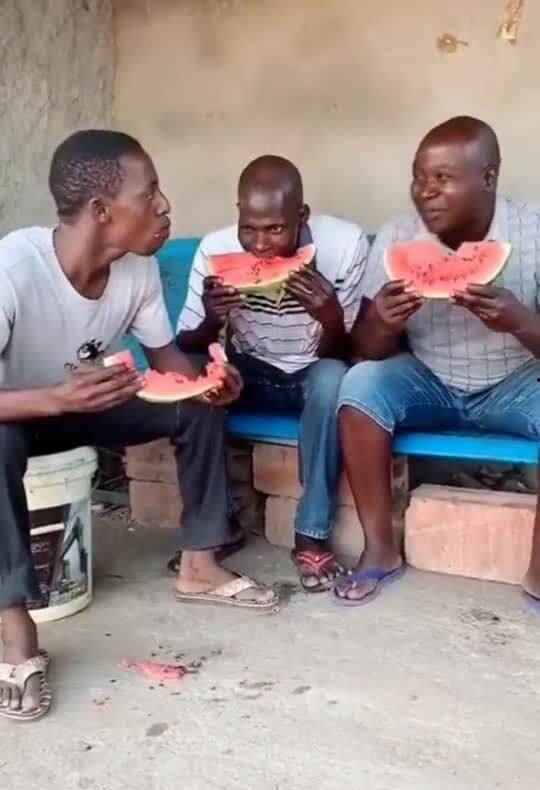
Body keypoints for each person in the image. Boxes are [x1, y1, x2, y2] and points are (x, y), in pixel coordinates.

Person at [0, 129, 280, 723]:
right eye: (149, 193)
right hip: (18, 415)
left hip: (92, 403)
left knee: (197, 403)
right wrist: (55, 397)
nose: (164, 206)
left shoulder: (137, 270)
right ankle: (13, 624)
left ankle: (201, 564)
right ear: (102, 210)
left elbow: (167, 363)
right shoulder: (14, 268)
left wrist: (209, 380)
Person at [335, 116, 540, 606]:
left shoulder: (533, 231)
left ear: (488, 177)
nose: (424, 191)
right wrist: (382, 322)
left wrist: (520, 321)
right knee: (360, 385)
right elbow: (365, 349)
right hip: (429, 380)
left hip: (517, 382)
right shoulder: (398, 236)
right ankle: (380, 550)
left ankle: (539, 572)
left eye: (442, 178)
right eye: (418, 178)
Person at [174, 155, 369, 591]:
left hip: (315, 371)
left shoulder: (346, 243)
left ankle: (311, 534)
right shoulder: (214, 249)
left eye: (276, 229)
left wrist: (330, 317)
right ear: (238, 214)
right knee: (201, 381)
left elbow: (353, 352)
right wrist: (211, 319)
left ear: (302, 216)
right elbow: (186, 346)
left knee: (334, 380)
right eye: (249, 228)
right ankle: (215, 530)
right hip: (251, 373)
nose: (260, 245)